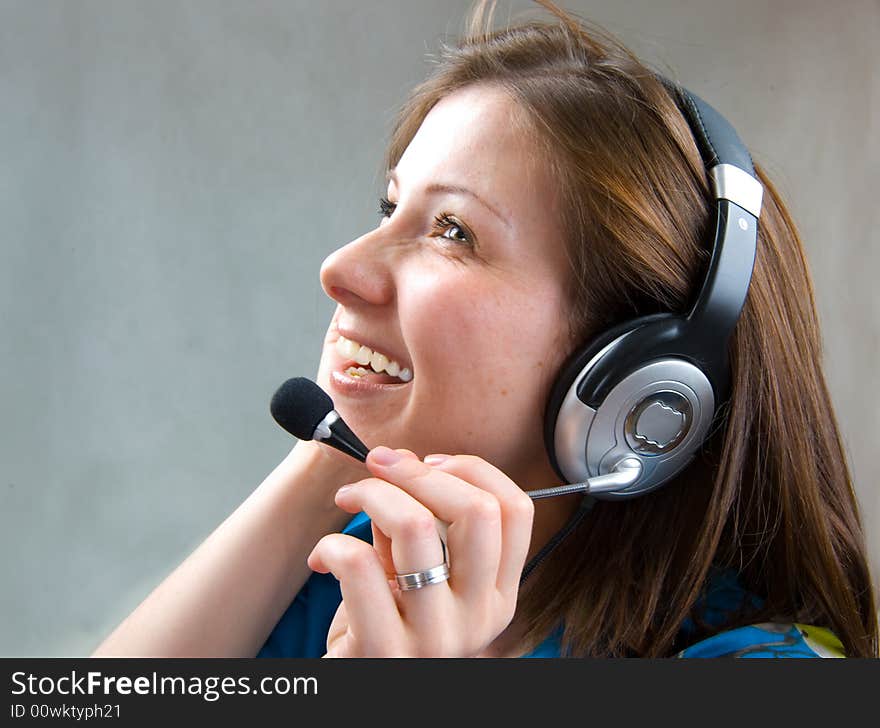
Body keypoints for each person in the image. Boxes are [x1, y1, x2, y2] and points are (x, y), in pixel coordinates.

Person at [91, 0, 878, 658]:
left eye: (452, 232)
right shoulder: (367, 557)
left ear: (633, 372)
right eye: (388, 208)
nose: (340, 268)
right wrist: (319, 471)